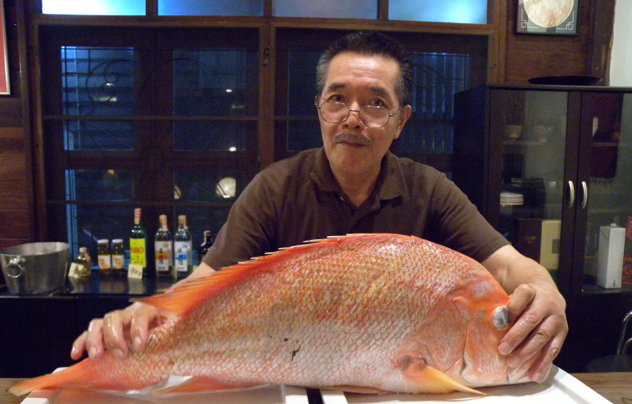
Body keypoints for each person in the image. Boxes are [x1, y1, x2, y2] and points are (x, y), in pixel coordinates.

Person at [72, 31, 567, 384]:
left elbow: (504, 262)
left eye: (376, 103)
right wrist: (143, 315)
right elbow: (205, 282)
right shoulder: (275, 187)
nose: (353, 117)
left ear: (400, 121)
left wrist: (546, 289)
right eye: (338, 99)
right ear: (320, 109)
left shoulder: (430, 188)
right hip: (283, 401)